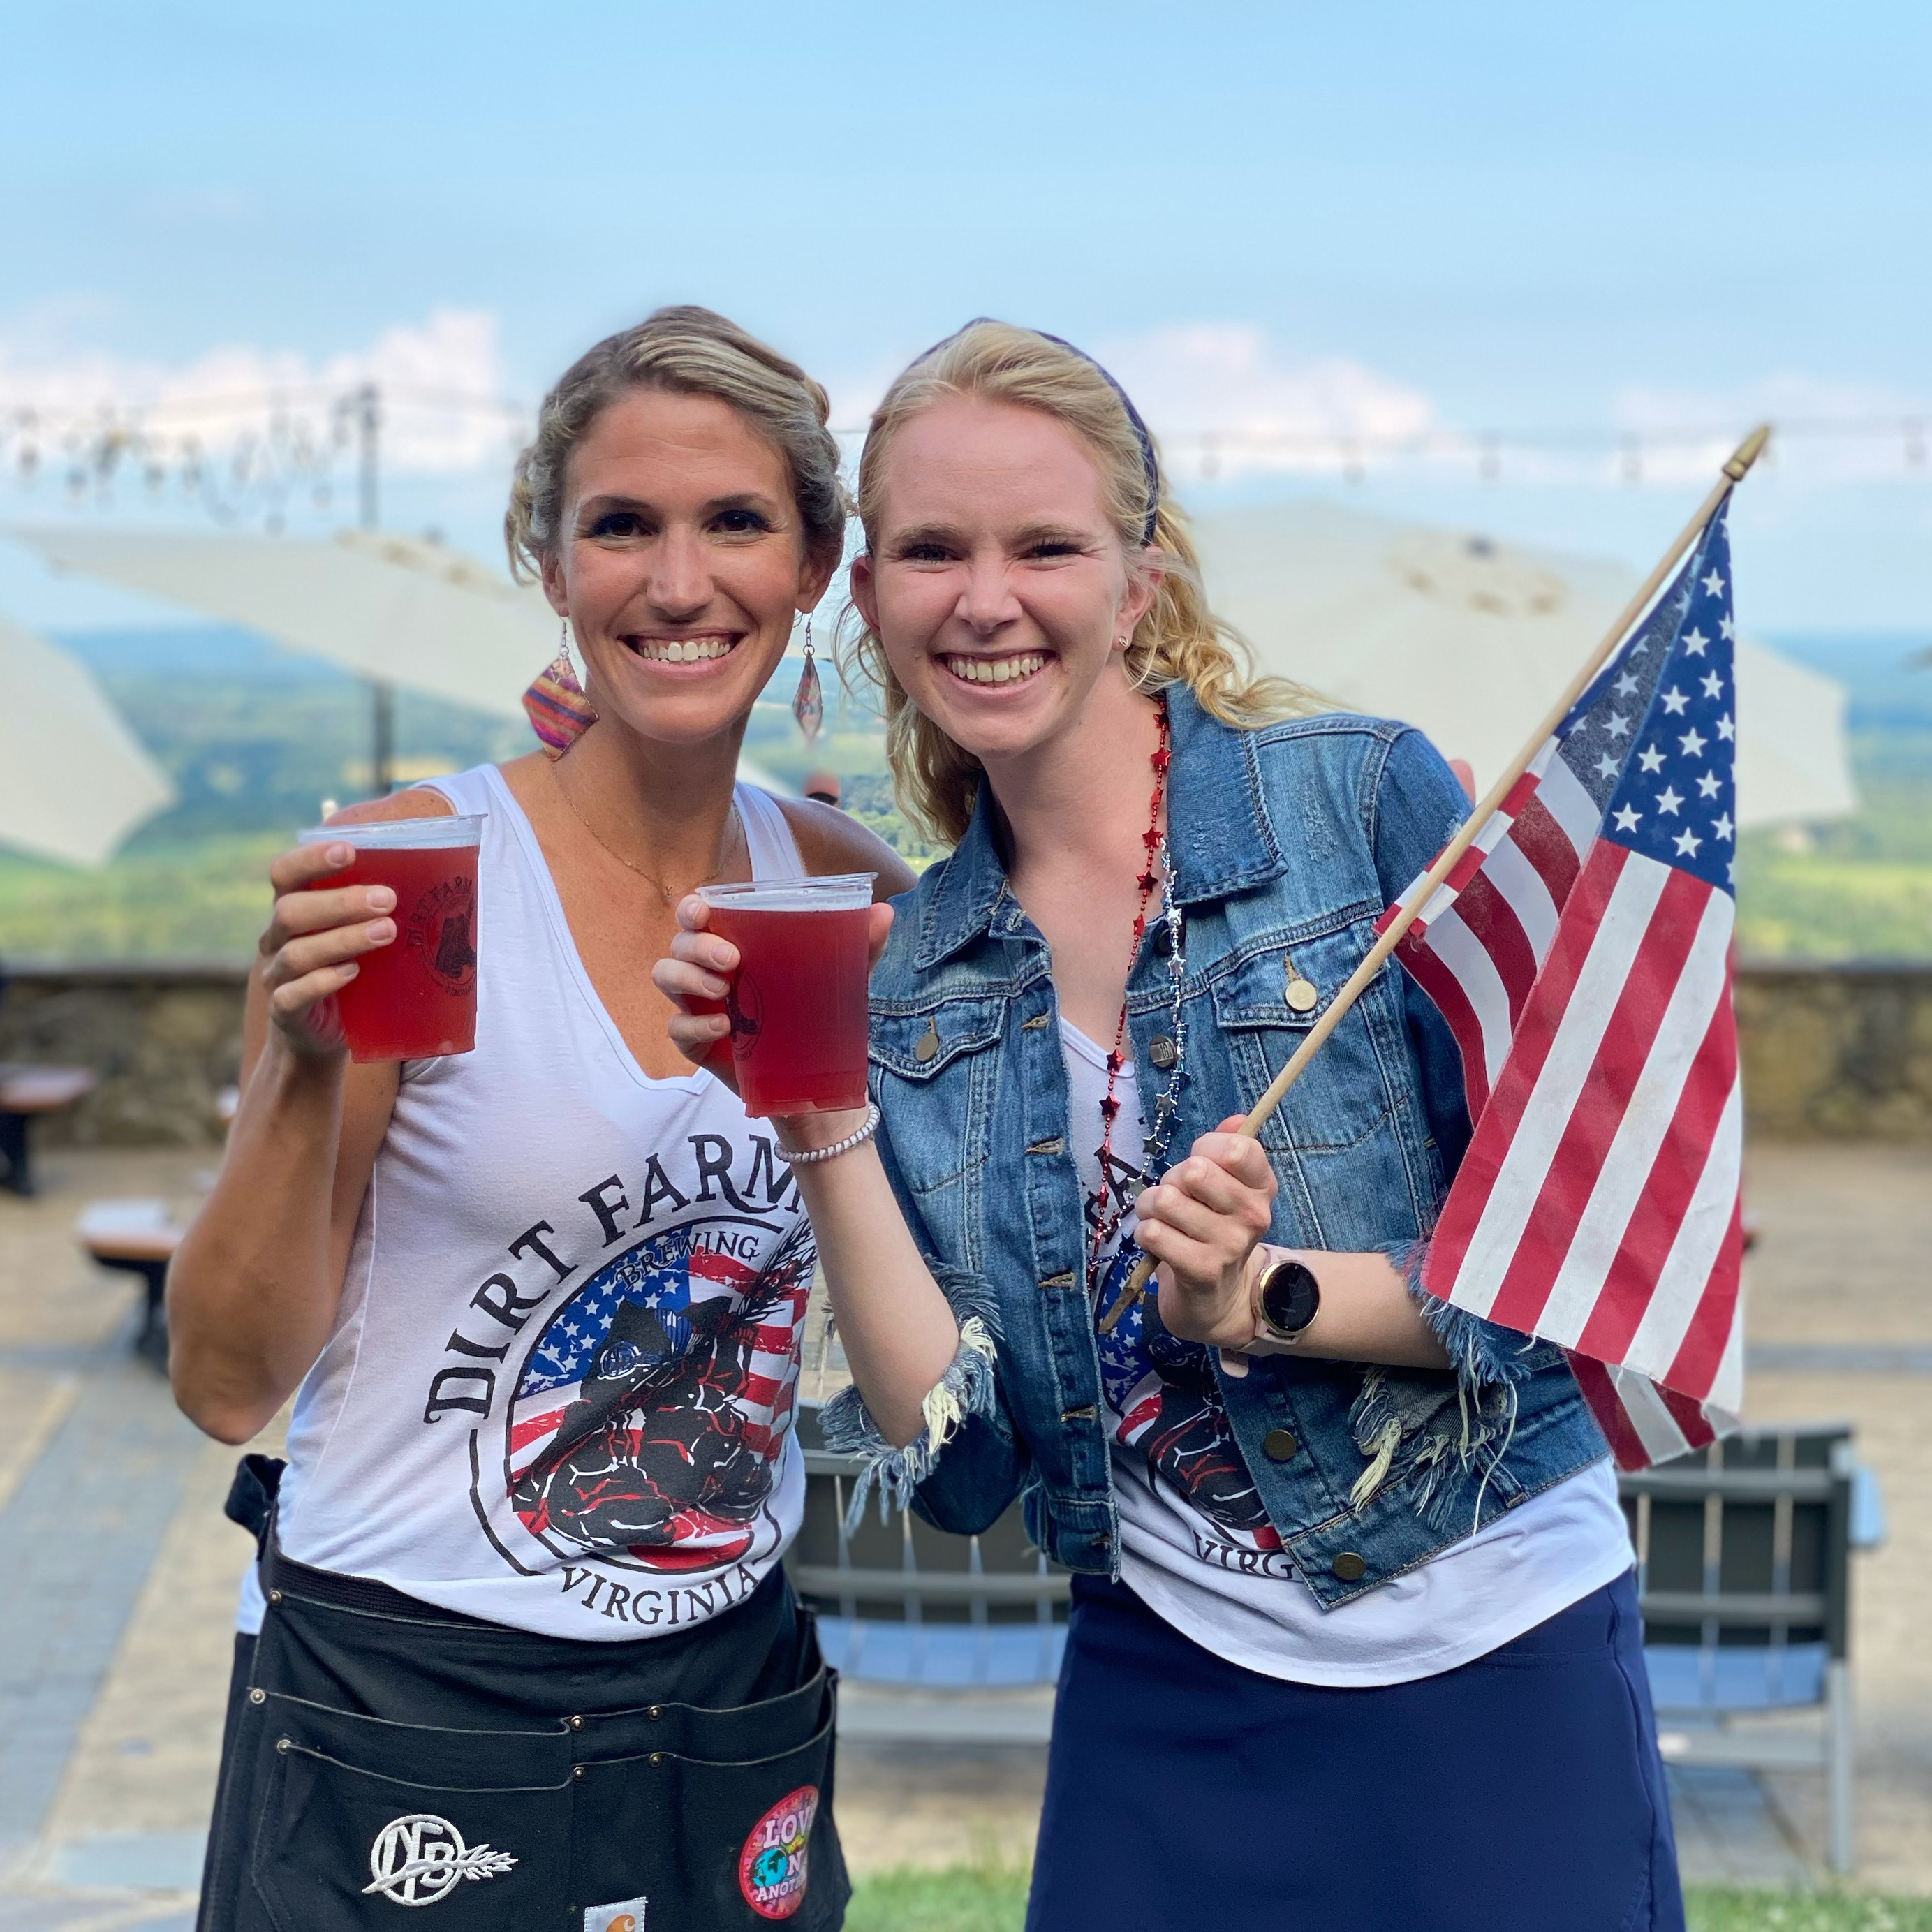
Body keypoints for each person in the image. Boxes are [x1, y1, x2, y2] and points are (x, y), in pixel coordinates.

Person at [659, 320, 1683, 1931]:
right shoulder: (911, 965)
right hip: (1165, 1682)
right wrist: (821, 1120)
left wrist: (1265, 1294)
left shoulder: (1361, 808)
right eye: (930, 550)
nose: (984, 599)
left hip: (1491, 1654)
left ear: (1139, 582)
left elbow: (1582, 1270)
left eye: (1043, 546)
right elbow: (967, 1462)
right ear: (868, 601)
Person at [170, 306, 910, 1932]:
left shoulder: (845, 893)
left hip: (725, 1694)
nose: (676, 580)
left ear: (810, 564)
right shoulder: (407, 878)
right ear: (552, 558)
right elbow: (227, 1385)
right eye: (620, 525)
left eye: (734, 522)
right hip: (407, 1701)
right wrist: (297, 1071)